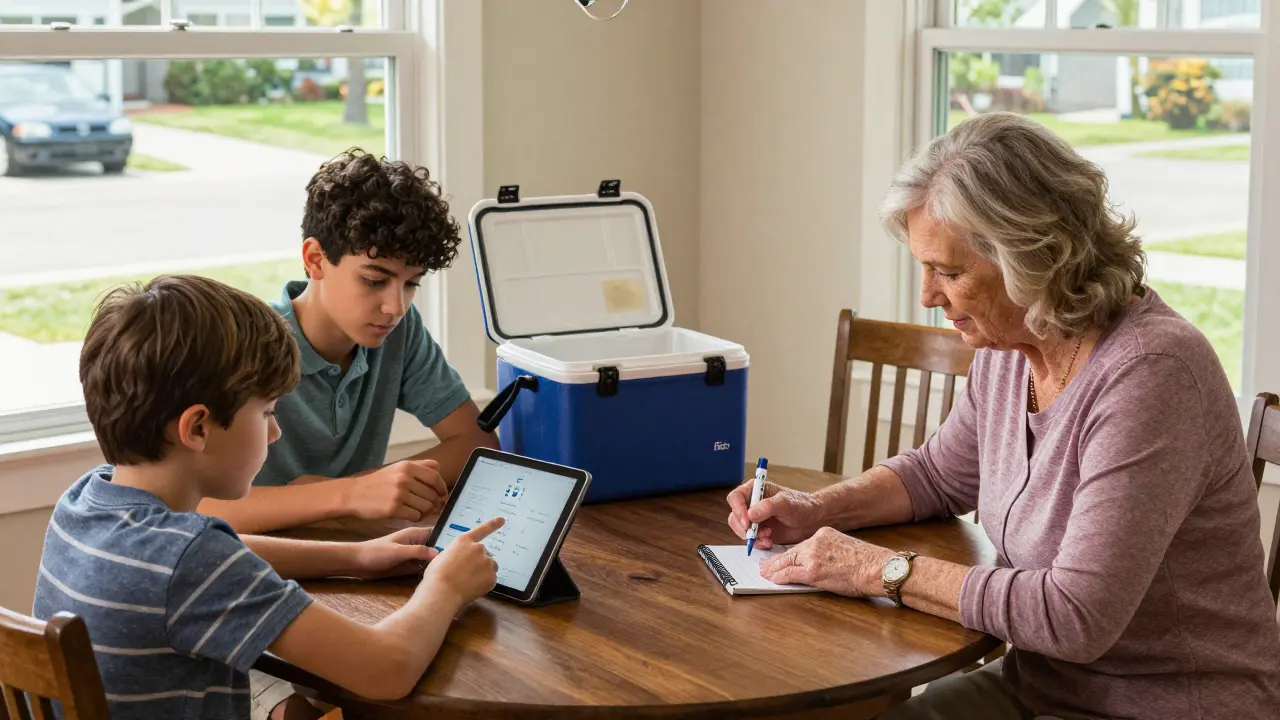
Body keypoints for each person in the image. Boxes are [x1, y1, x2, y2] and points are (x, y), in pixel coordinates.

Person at [726, 112, 1280, 719]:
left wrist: (873, 569)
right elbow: (936, 476)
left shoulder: (1153, 372)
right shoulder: (1013, 345)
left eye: (950, 272)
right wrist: (817, 509)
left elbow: (1076, 616)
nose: (928, 296)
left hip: (1169, 705)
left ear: (1035, 256)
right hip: (1044, 686)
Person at [33, 275, 503, 720]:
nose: (275, 433)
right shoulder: (192, 562)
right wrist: (445, 586)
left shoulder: (86, 502)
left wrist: (357, 556)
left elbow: (217, 557)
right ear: (198, 427)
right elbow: (387, 669)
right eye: (266, 413)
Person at [197, 148, 499, 537]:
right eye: (375, 280)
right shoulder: (242, 343)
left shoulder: (399, 334)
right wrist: (348, 495)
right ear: (315, 259)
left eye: (411, 284)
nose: (395, 307)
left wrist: (372, 489)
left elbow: (476, 442)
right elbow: (191, 508)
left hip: (352, 550)